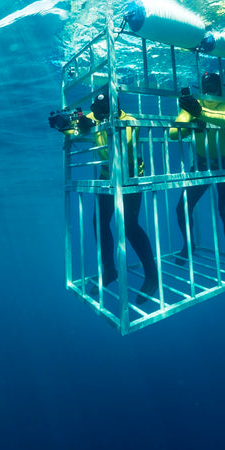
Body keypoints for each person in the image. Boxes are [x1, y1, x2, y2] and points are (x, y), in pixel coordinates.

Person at [51, 91, 159, 304]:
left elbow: (125, 143)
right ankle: (109, 271)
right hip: (107, 176)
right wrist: (63, 124)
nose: (98, 114)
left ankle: (152, 276)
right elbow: (74, 128)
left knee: (130, 226)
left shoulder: (129, 120)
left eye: (103, 110)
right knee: (99, 223)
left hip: (129, 177)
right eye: (96, 110)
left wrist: (98, 124)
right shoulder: (97, 115)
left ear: (113, 107)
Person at [169, 72, 225, 291]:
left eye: (212, 84)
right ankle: (188, 246)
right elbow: (173, 134)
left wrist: (200, 113)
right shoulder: (193, 106)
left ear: (221, 86)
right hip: (202, 163)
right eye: (205, 86)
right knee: (182, 208)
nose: (209, 89)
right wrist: (191, 118)